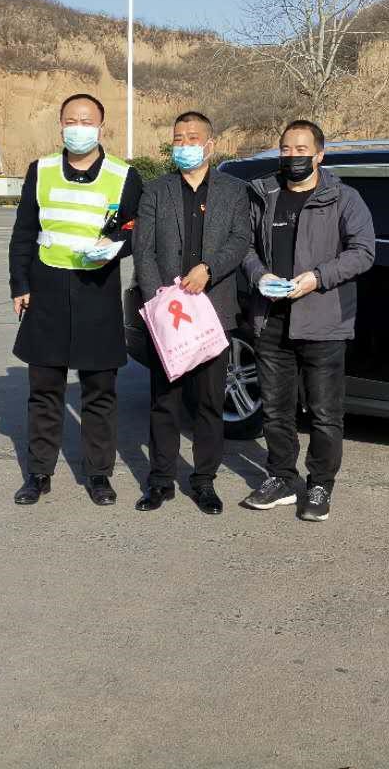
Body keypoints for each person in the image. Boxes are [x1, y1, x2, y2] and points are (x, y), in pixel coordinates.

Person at [8, 93, 143, 506]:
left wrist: (116, 246)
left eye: (86, 121)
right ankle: (38, 473)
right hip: (46, 290)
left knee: (99, 391)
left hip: (96, 291)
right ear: (61, 125)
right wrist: (20, 284)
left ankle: (98, 475)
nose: (78, 128)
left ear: (101, 126)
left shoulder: (124, 175)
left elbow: (136, 229)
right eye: (71, 120)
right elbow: (24, 231)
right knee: (44, 389)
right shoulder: (42, 170)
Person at [240, 120, 375, 522]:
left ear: (319, 155)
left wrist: (318, 277)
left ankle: (320, 484)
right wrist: (258, 275)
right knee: (275, 410)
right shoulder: (263, 194)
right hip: (271, 319)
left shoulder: (344, 198)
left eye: (301, 150)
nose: (292, 156)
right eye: (286, 149)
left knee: (324, 413)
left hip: (323, 321)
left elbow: (363, 251)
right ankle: (281, 477)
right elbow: (244, 247)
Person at [131, 111, 252, 515]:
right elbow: (143, 249)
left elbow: (240, 240)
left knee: (209, 402)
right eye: (178, 139)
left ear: (210, 145)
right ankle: (160, 481)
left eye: (193, 138)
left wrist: (209, 269)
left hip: (213, 311)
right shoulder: (156, 191)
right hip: (168, 313)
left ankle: (204, 481)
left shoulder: (234, 191)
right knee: (164, 401)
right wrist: (159, 298)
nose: (184, 145)